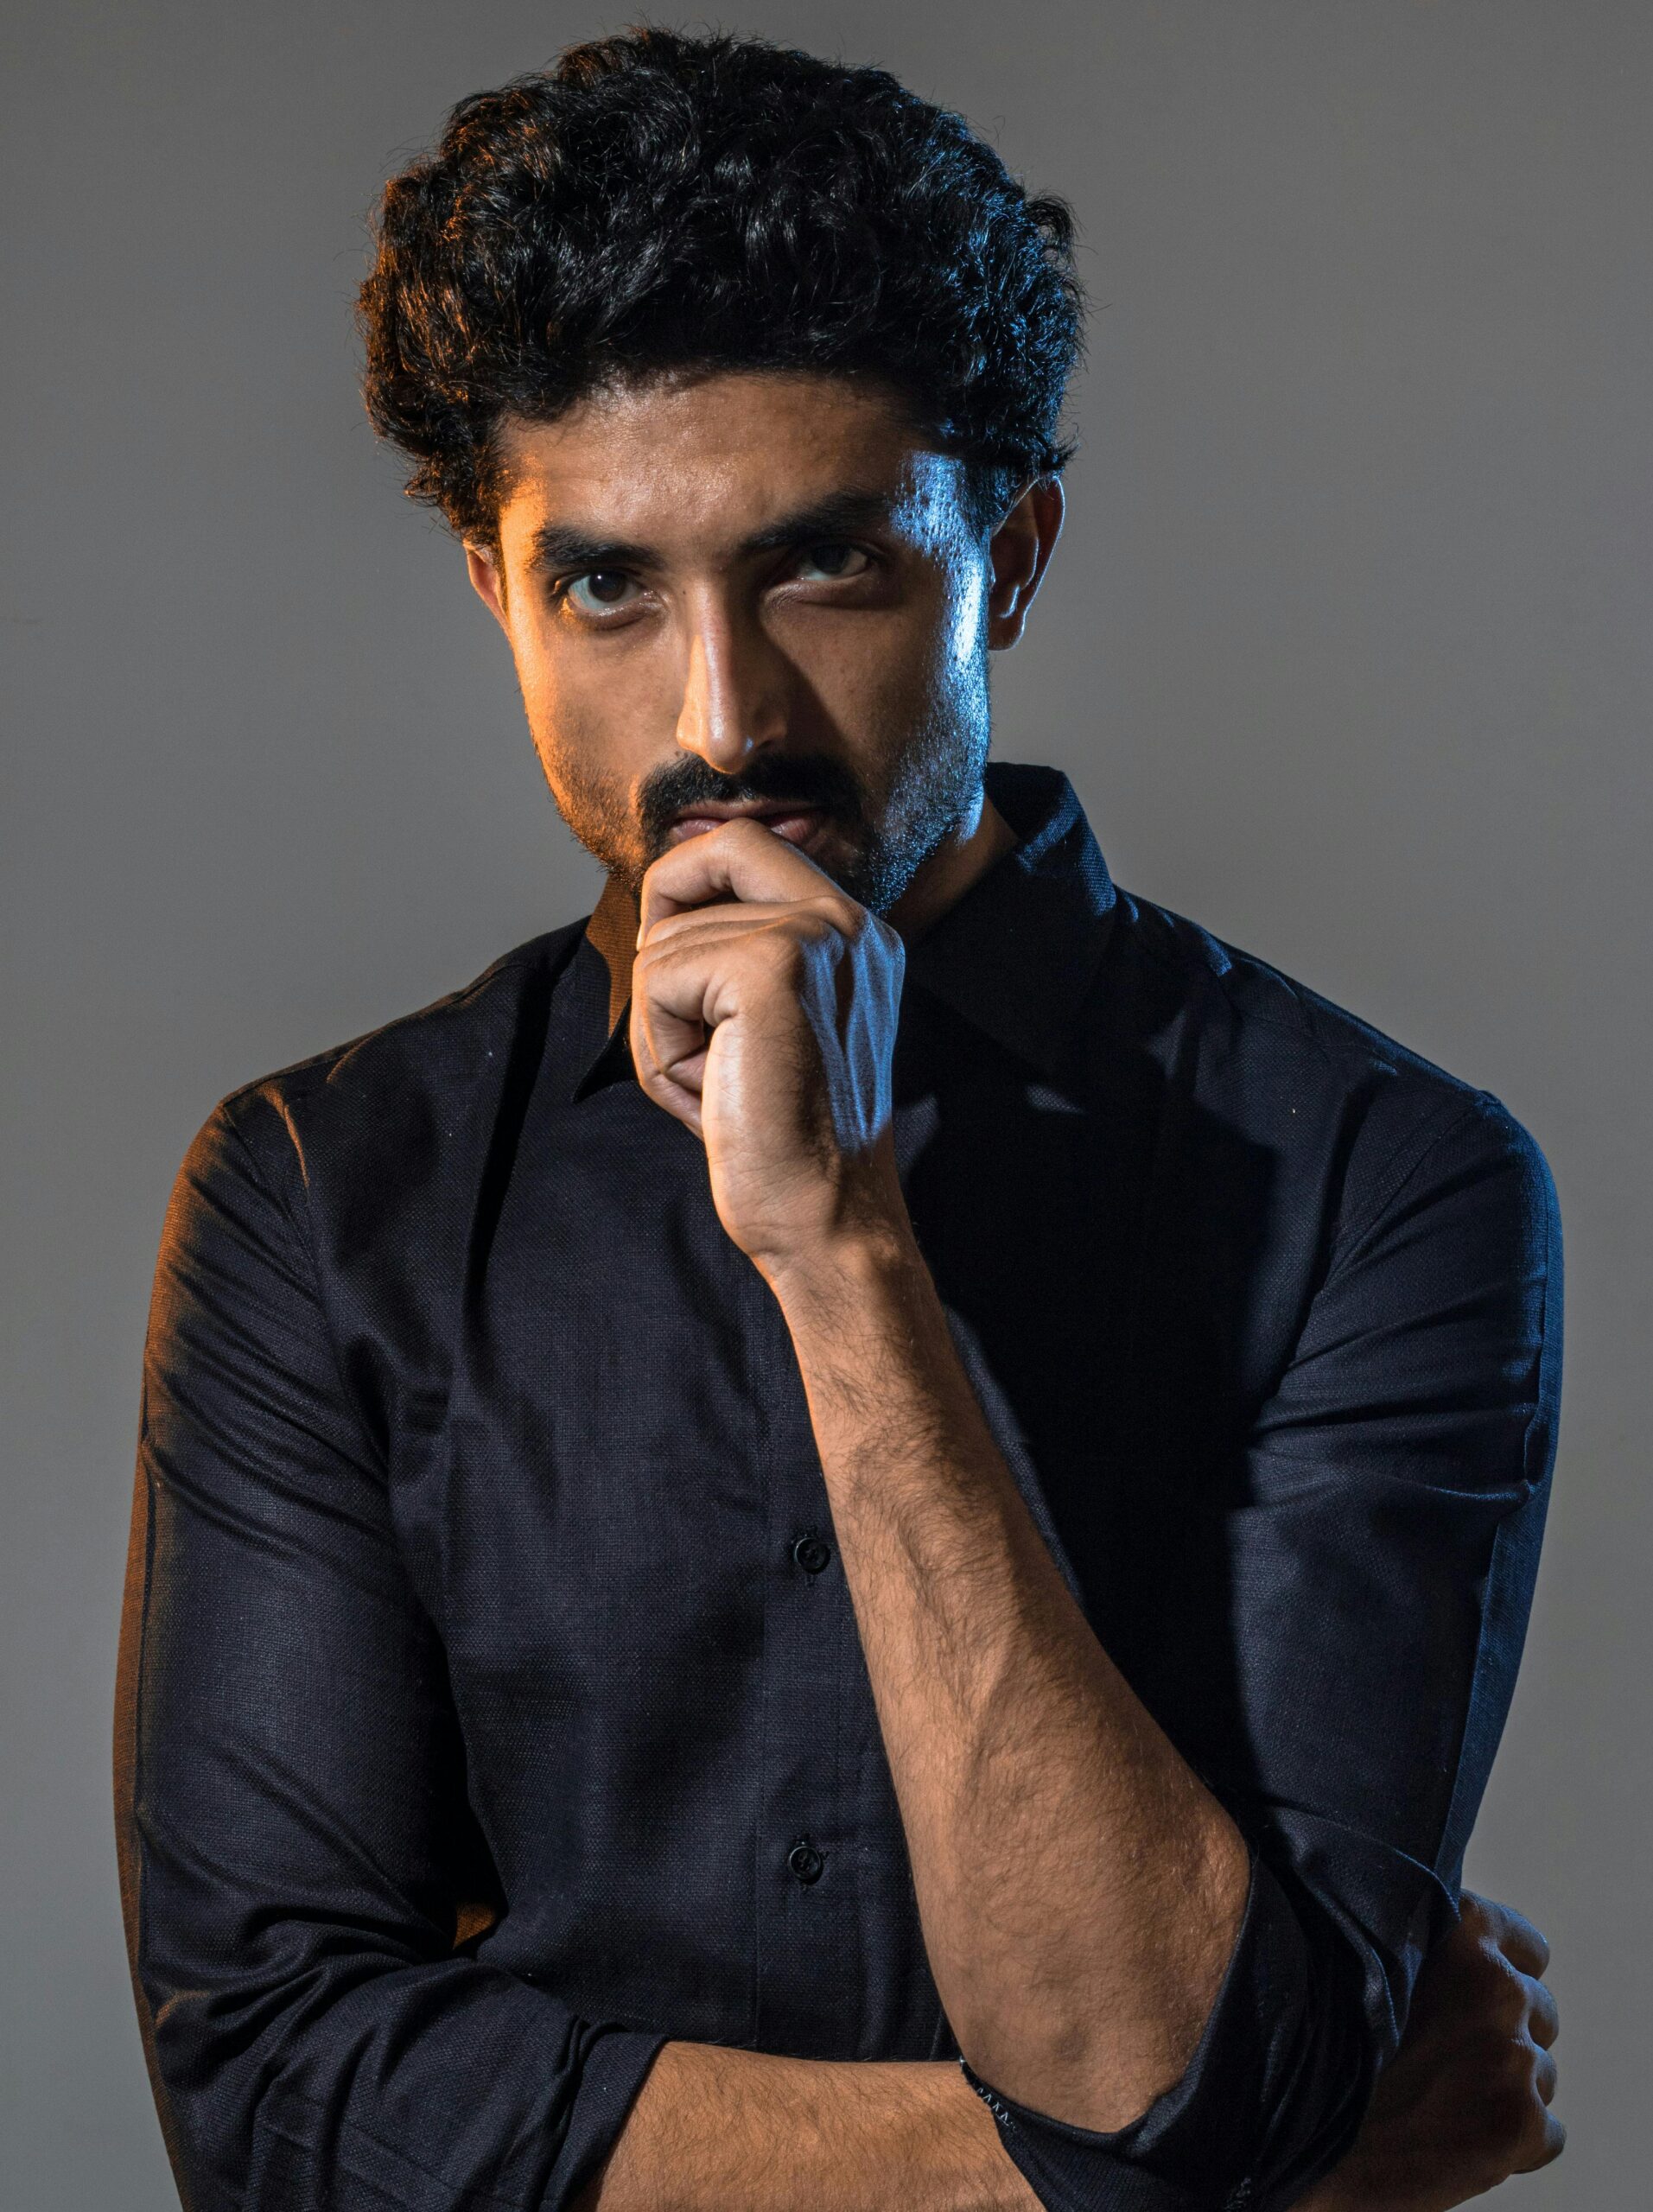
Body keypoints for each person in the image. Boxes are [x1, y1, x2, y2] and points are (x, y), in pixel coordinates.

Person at [113, 29, 1566, 2212]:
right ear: (498, 592)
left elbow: (1149, 2052)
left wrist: (844, 1246)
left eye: (829, 569)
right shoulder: (326, 1196)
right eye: (605, 584)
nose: (721, 718)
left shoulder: (1382, 1175)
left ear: (1014, 554)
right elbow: (286, 2097)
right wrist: (1187, 2180)